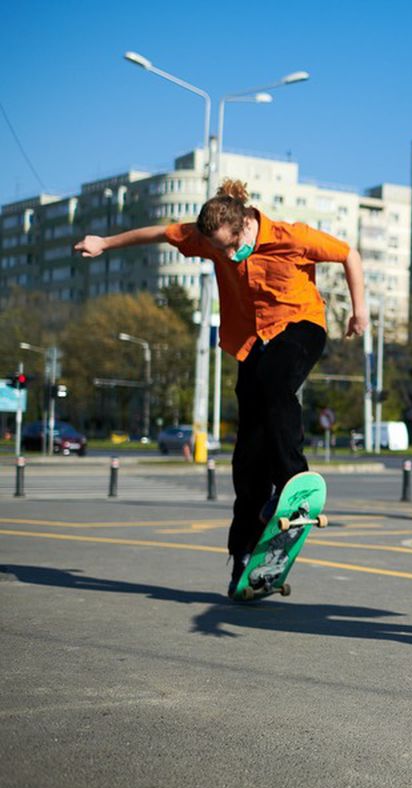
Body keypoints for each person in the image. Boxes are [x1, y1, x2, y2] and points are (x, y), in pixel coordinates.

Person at [75, 179, 368, 592]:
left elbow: (349, 254)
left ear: (246, 224)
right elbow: (159, 232)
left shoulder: (292, 236)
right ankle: (244, 554)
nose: (228, 256)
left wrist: (360, 311)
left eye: (232, 246)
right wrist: (104, 243)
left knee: (275, 382)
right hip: (251, 341)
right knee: (248, 450)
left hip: (301, 327)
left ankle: (292, 479)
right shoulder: (208, 239)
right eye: (220, 250)